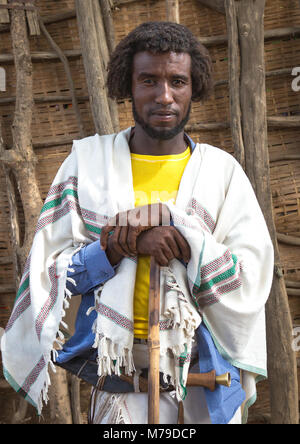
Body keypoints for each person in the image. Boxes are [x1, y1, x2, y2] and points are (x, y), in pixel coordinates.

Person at [1, 22, 274, 424]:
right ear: (127, 85)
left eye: (177, 81)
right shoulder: (87, 167)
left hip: (206, 387)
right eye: (149, 80)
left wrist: (178, 231)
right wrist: (117, 246)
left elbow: (250, 280)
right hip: (119, 389)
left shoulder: (222, 174)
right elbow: (50, 276)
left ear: (193, 86)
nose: (164, 95)